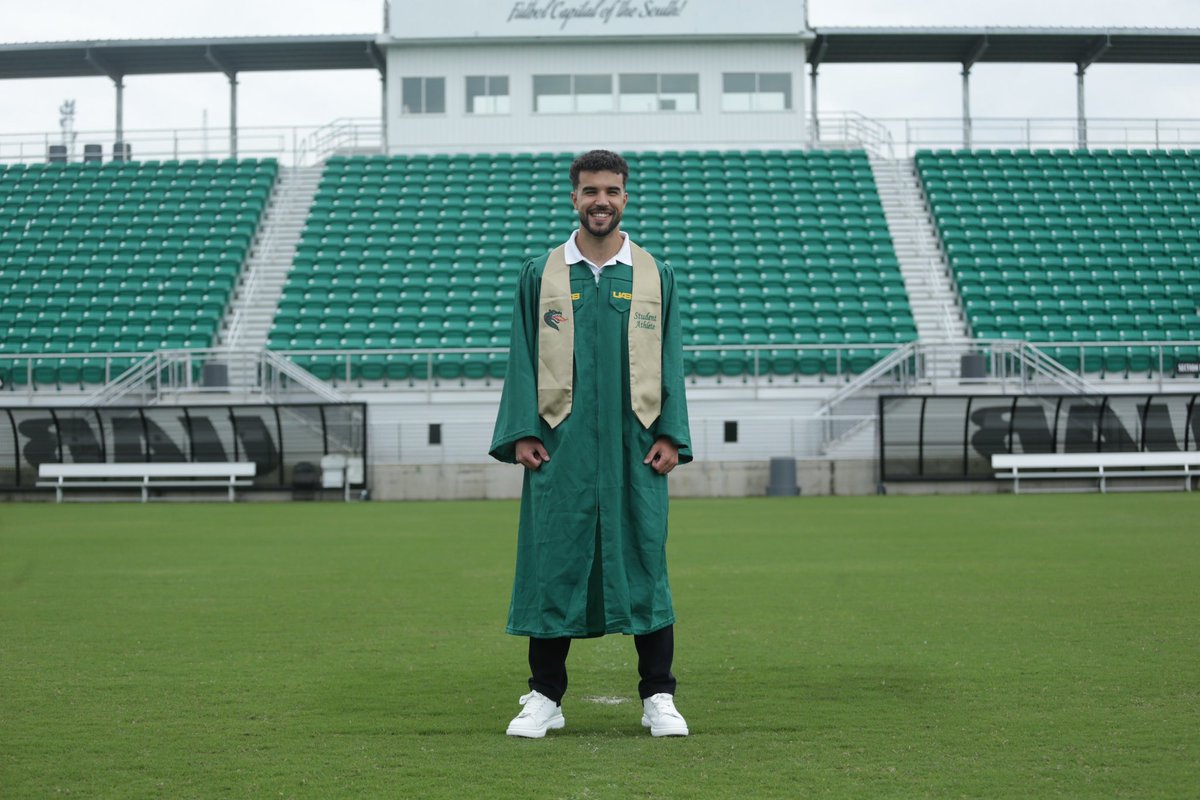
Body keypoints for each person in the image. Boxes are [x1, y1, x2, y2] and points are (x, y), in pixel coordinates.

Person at [489, 149, 692, 738]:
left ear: (625, 197)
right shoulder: (543, 273)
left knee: (646, 559)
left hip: (637, 444)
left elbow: (671, 359)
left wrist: (671, 434)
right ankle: (544, 697)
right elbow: (522, 356)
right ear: (573, 198)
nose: (600, 200)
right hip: (561, 443)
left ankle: (659, 695)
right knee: (553, 560)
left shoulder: (654, 275)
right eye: (589, 191)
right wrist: (524, 429)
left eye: (611, 190)